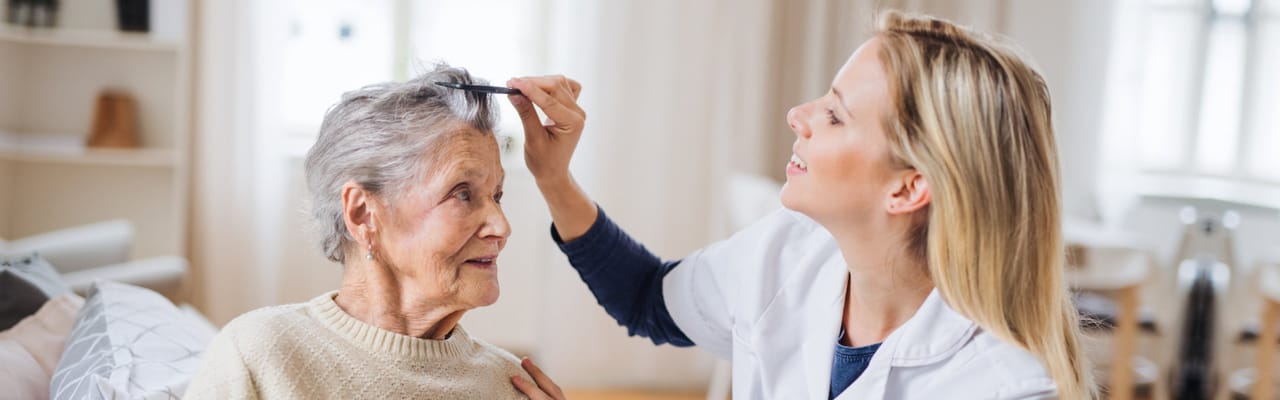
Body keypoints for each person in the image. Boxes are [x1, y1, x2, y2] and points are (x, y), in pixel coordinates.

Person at [507, 11, 1093, 400]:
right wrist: (554, 178)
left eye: (835, 114)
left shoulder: (1002, 387)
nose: (799, 116)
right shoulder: (791, 250)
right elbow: (648, 300)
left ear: (907, 189)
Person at [185, 64, 540, 399]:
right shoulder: (260, 355)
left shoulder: (511, 384)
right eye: (462, 194)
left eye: (497, 196)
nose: (501, 227)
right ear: (362, 213)